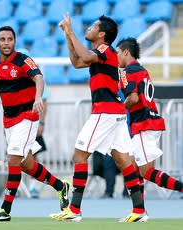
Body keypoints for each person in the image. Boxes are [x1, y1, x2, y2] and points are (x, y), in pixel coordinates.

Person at [50, 15, 147, 222]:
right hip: (115, 113)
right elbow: (77, 62)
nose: (89, 28)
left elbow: (83, 57)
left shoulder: (104, 49)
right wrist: (68, 36)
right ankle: (139, 211)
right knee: (122, 159)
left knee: (79, 156)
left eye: (93, 26)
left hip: (105, 112)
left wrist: (71, 31)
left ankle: (74, 210)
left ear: (102, 34)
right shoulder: (100, 53)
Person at [0, 26, 70, 222]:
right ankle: (61, 187)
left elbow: (39, 77)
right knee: (27, 164)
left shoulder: (23, 60)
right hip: (8, 120)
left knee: (12, 160)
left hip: (27, 117)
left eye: (9, 39)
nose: (6, 42)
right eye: (2, 39)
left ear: (14, 41)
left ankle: (5, 210)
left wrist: (38, 98)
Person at [116, 37, 183, 201]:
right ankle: (139, 210)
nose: (116, 57)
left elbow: (133, 99)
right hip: (148, 121)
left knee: (146, 172)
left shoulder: (126, 72)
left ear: (126, 52)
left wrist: (116, 110)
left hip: (144, 124)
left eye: (117, 53)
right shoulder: (142, 70)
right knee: (133, 165)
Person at [29, 83, 49, 198]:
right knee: (14, 157)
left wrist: (41, 123)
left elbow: (44, 104)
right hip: (16, 123)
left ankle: (33, 186)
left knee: (33, 156)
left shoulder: (39, 80)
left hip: (33, 123)